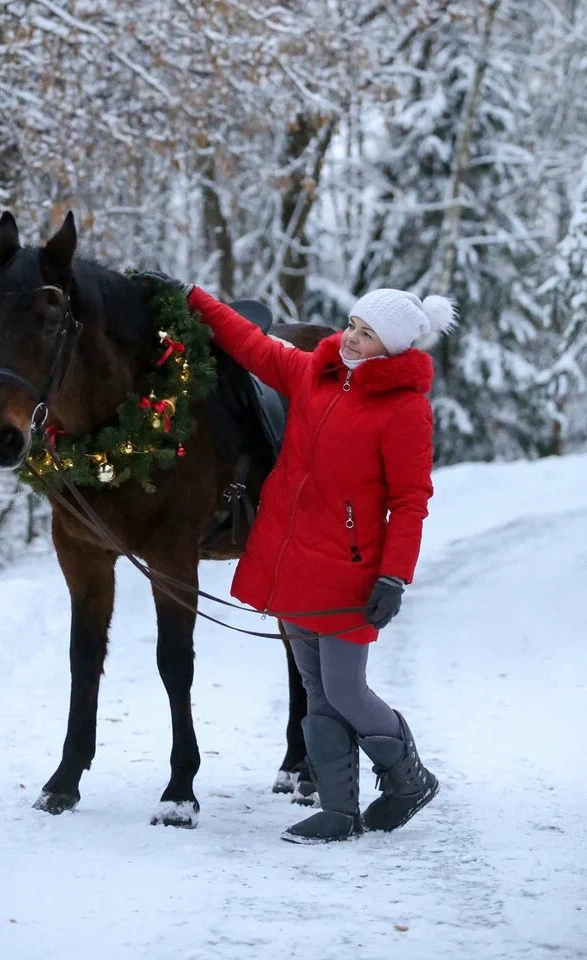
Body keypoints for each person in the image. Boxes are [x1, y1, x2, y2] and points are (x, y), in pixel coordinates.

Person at [136, 273, 457, 844]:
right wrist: (192, 296)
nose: (352, 339)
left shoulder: (405, 410)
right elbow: (251, 344)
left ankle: (409, 778)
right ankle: (339, 810)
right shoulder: (314, 372)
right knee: (314, 689)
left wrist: (394, 577)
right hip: (293, 560)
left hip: (350, 570)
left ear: (396, 347)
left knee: (346, 690)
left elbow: (411, 501)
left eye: (368, 334)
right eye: (352, 326)